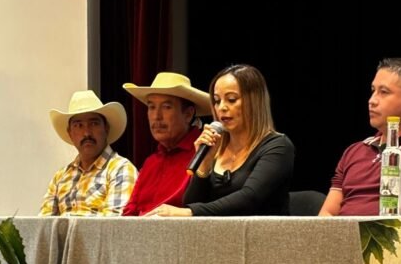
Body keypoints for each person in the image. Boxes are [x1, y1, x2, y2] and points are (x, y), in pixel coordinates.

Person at [149, 64, 294, 217]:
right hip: (216, 232)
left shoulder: (278, 146)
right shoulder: (215, 147)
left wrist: (191, 212)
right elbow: (191, 203)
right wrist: (204, 165)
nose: (222, 107)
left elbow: (250, 198)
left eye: (231, 100)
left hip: (261, 232)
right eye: (217, 101)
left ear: (254, 101)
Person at [319, 58, 401, 216]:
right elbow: (327, 213)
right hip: (342, 232)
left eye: (384, 92)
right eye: (373, 90)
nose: (372, 100)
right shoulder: (355, 151)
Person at [121, 72, 211, 216]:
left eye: (167, 107)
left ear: (188, 114)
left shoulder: (205, 155)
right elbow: (129, 213)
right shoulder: (151, 162)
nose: (157, 116)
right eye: (151, 107)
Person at [39, 90, 137, 216]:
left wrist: (65, 223)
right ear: (70, 133)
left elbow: (114, 224)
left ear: (106, 128)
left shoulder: (121, 169)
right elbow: (44, 223)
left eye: (94, 124)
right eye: (79, 125)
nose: (87, 133)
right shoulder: (61, 177)